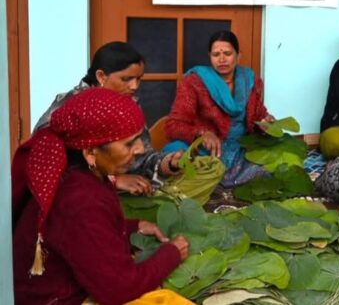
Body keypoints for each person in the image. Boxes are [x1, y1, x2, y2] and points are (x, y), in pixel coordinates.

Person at [12, 88, 189, 305]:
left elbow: (80, 235)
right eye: (129, 143)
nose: (141, 149)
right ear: (90, 153)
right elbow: (119, 290)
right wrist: (170, 254)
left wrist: (133, 228)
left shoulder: (76, 173)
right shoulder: (81, 199)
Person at [34, 41, 182, 195]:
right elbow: (46, 161)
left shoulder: (128, 106)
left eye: (139, 79)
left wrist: (168, 163)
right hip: (77, 197)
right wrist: (113, 179)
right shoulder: (70, 106)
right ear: (101, 76)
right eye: (126, 79)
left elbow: (140, 158)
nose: (134, 86)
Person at [164, 30, 274, 188]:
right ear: (210, 56)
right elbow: (173, 125)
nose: (221, 59)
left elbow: (259, 116)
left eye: (227, 53)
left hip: (241, 149)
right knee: (178, 159)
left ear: (238, 55)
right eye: (216, 55)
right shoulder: (194, 82)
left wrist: (267, 123)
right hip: (206, 150)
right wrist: (202, 134)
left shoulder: (250, 80)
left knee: (276, 161)